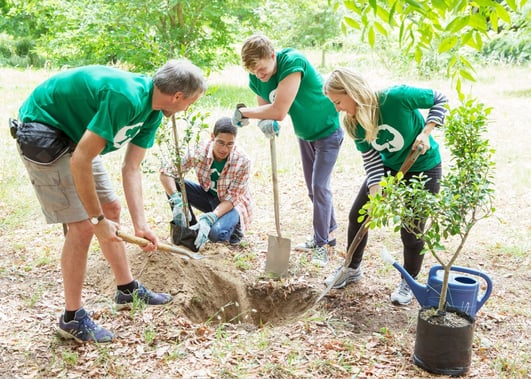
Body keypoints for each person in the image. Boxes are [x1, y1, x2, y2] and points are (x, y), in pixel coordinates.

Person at [12, 60, 207, 342]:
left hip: (78, 136)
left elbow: (131, 168)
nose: (188, 107)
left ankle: (126, 289)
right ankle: (71, 318)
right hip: (45, 130)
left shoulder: (153, 111)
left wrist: (141, 226)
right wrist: (97, 221)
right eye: (191, 102)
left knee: (111, 208)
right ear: (177, 97)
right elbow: (81, 160)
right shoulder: (125, 97)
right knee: (82, 226)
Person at [322, 67, 448, 305]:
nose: (337, 108)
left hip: (423, 167)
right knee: (358, 215)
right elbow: (371, 160)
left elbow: (439, 98)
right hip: (389, 168)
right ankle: (351, 268)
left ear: (352, 92)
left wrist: (426, 132)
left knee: (411, 230)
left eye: (338, 101)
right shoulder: (353, 123)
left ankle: (409, 281)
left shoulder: (396, 98)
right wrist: (375, 189)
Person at [233, 34, 343, 266]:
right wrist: (267, 125)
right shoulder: (257, 78)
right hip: (305, 134)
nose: (259, 75)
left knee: (320, 187)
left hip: (327, 129)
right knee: (314, 191)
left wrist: (246, 113)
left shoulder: (293, 62)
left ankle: (321, 244)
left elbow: (279, 111)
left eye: (262, 69)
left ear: (272, 55)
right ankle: (329, 233)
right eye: (254, 72)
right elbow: (266, 110)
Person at [160, 116, 252, 250]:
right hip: (209, 196)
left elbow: (233, 198)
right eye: (220, 142)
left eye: (229, 144)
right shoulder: (198, 150)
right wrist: (176, 199)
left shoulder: (243, 161)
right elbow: (166, 171)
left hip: (232, 205)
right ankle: (191, 230)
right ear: (212, 136)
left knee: (215, 233)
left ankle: (234, 229)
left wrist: (210, 218)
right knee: (174, 183)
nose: (224, 149)